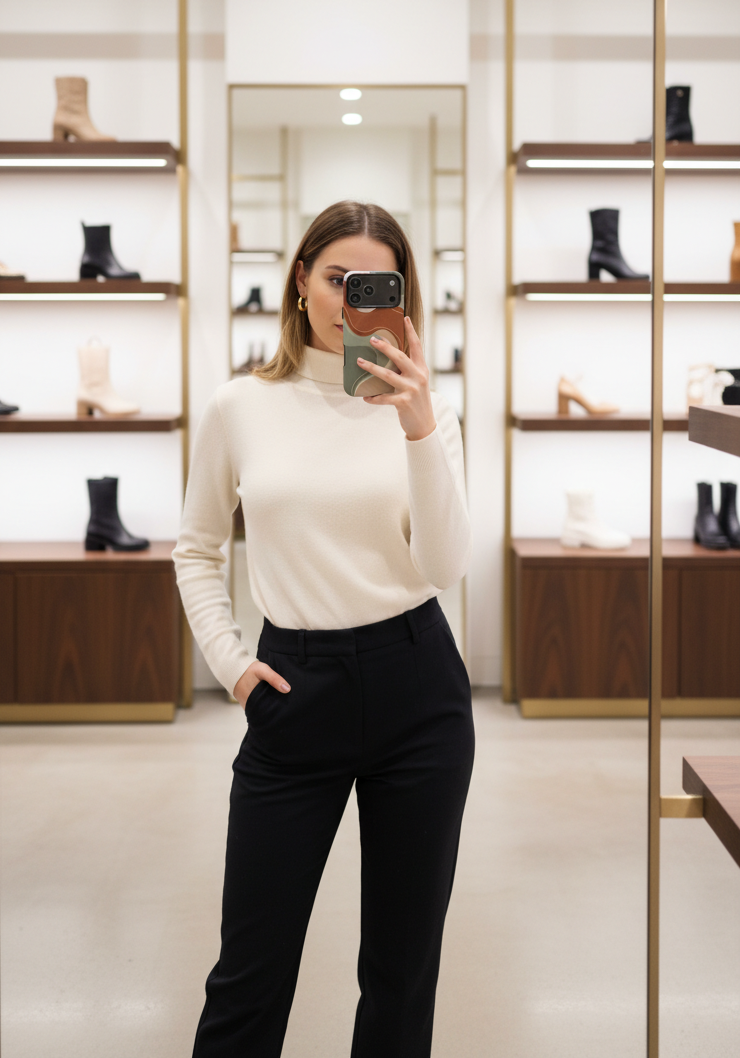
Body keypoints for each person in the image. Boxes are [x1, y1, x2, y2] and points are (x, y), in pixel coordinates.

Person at [174, 199, 474, 1058]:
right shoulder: (240, 405)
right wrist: (232, 664)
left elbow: (444, 566)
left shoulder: (426, 413)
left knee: (401, 976)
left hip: (418, 686)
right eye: (339, 279)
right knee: (250, 973)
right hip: (293, 686)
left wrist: (417, 426)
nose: (352, 302)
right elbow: (196, 549)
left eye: (377, 286)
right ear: (301, 280)